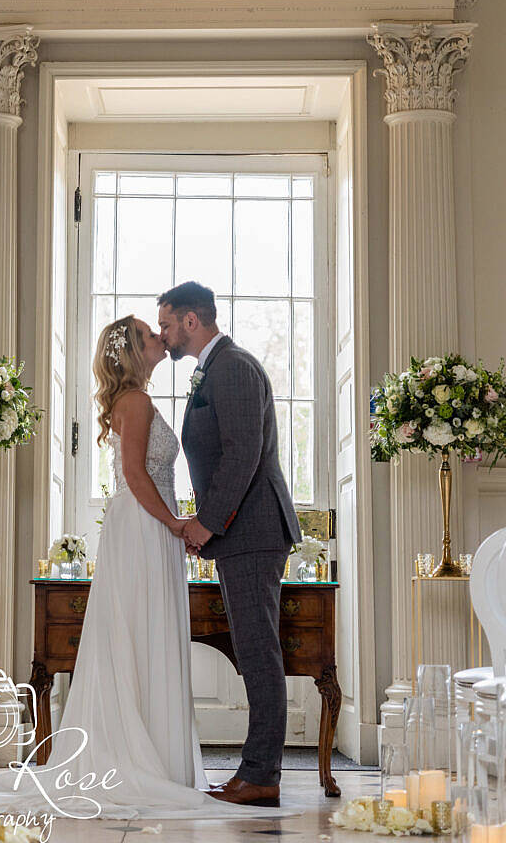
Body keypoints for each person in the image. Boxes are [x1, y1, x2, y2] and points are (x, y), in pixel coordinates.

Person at [0, 315, 293, 821]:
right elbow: (133, 473)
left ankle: (167, 760)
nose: (160, 338)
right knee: (141, 636)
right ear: (131, 351)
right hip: (146, 528)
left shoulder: (149, 396)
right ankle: (146, 761)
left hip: (152, 529)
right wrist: (176, 522)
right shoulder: (137, 402)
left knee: (148, 637)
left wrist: (191, 522)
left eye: (163, 327)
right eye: (152, 333)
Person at [158, 282, 302, 807]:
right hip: (243, 531)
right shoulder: (216, 368)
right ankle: (257, 770)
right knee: (253, 649)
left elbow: (242, 454)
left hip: (253, 530)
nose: (165, 334)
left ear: (192, 321)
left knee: (259, 653)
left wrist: (207, 523)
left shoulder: (234, 367)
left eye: (169, 324)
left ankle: (261, 774)